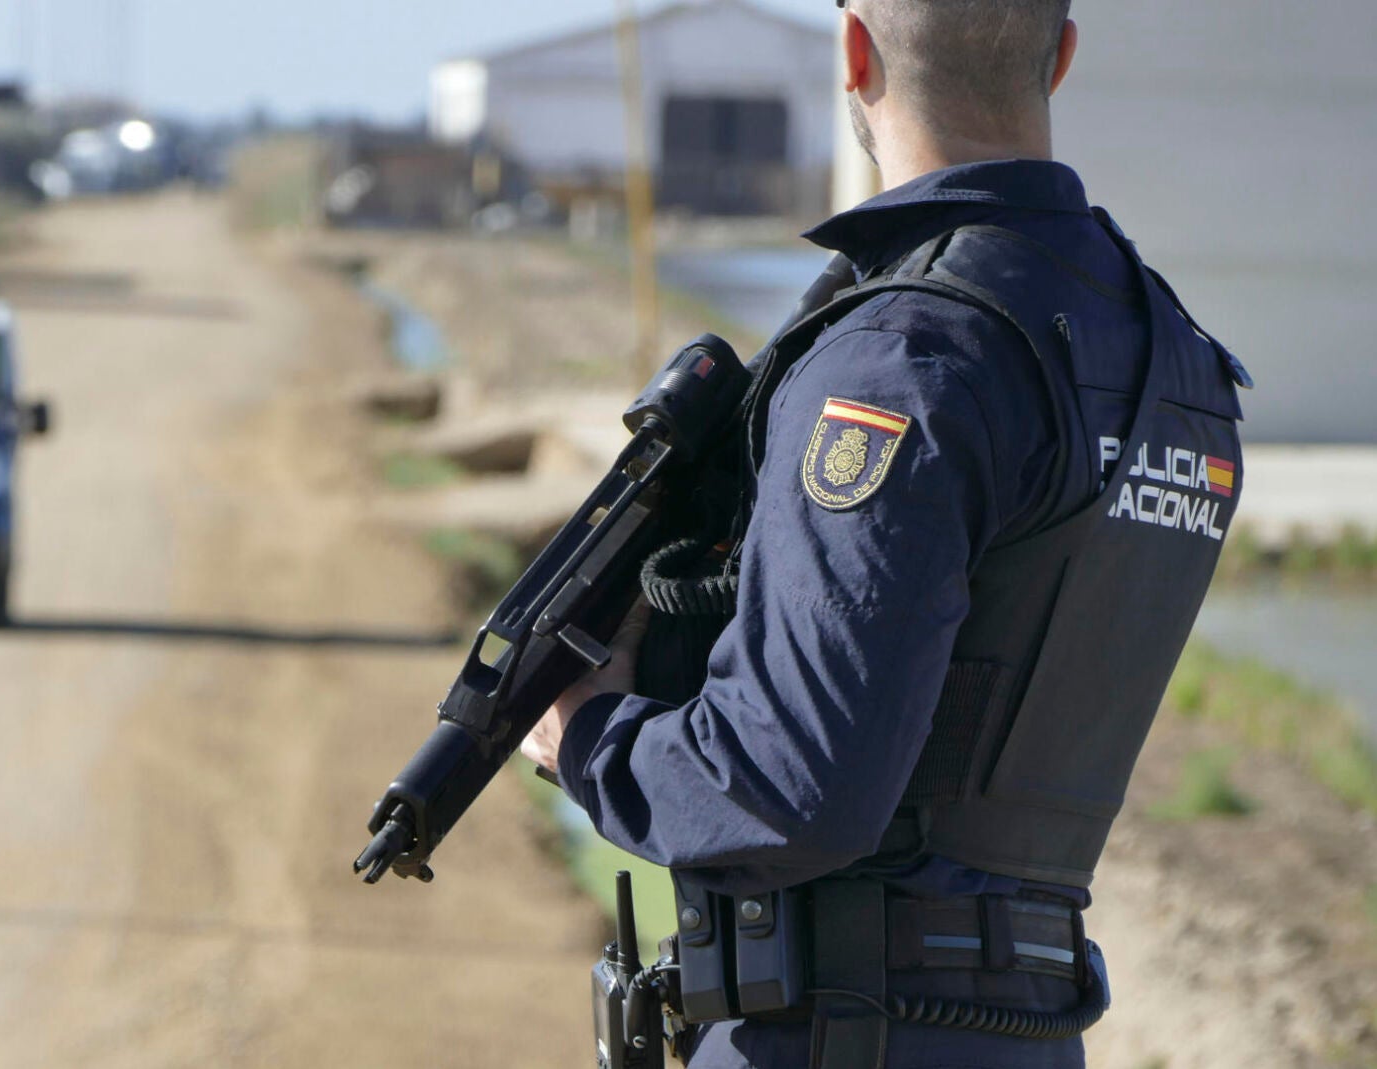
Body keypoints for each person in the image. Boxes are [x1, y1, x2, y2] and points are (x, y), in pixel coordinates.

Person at [518, 2, 1249, 1067]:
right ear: (1061, 56)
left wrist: (588, 736)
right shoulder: (1180, 359)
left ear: (853, 52)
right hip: (1030, 1033)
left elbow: (789, 788)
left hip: (842, 1029)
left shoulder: (900, 359)